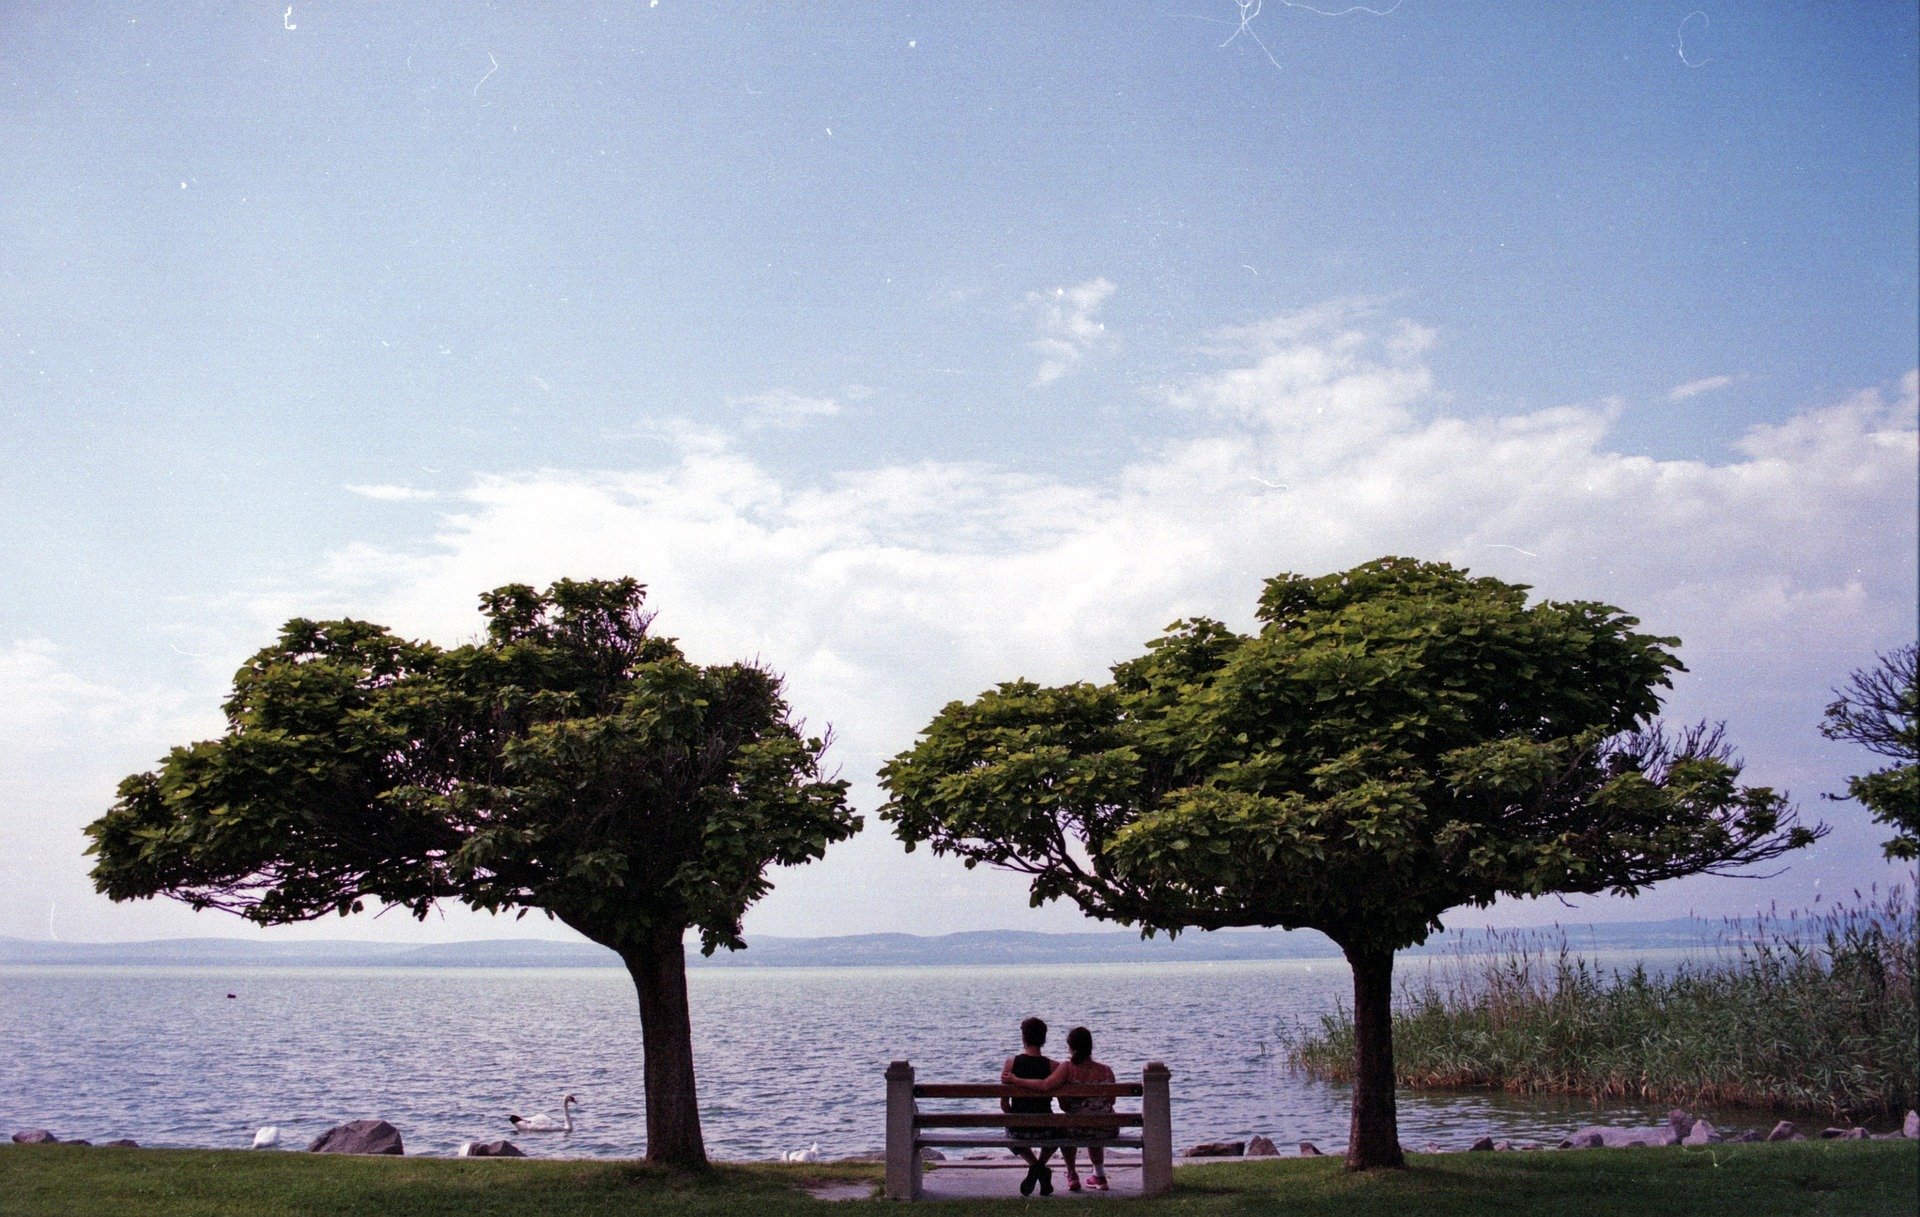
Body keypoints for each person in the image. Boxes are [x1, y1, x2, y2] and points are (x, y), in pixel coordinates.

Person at [1003, 1025, 1115, 1192]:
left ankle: (1071, 1174)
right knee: (1095, 1117)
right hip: (1106, 1129)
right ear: (1090, 1046)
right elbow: (1111, 1101)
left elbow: (1045, 1086)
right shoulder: (1107, 1071)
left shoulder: (1067, 1068)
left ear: (1070, 1047)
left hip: (1076, 1129)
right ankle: (1099, 1175)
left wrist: (1016, 1080)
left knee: (1067, 1124)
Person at [1001, 1016, 1057, 1196]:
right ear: (1044, 1039)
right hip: (1047, 1129)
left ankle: (1036, 1167)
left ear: (1023, 1038)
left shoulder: (1011, 1064)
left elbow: (1004, 1104)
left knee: (1010, 1129)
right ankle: (1041, 1167)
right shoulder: (1053, 1066)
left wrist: (1017, 1117)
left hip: (1019, 1129)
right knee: (1063, 1129)